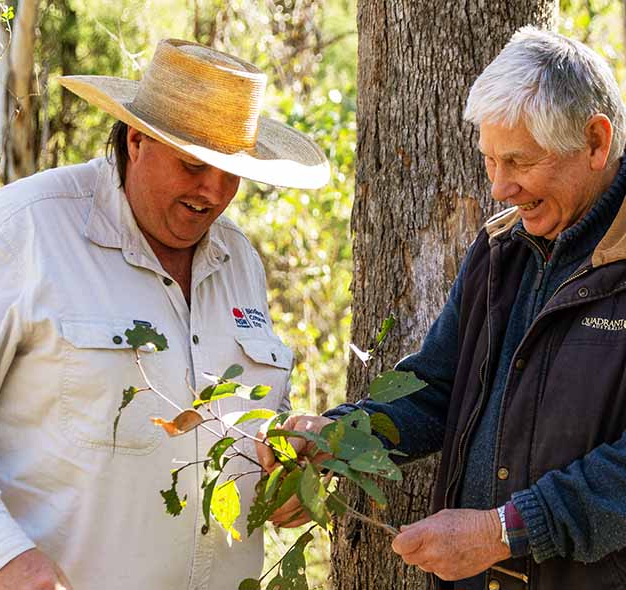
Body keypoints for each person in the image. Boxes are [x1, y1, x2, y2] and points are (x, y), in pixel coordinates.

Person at [0, 39, 329, 590]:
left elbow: (239, 415)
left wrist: (286, 457)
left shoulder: (239, 259)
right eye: (194, 164)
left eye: (231, 171)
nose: (215, 192)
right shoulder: (23, 232)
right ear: (137, 140)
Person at [257, 26, 626, 590]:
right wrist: (337, 437)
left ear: (596, 143)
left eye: (519, 163)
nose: (499, 187)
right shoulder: (501, 251)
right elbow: (436, 388)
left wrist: (505, 530)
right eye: (490, 161)